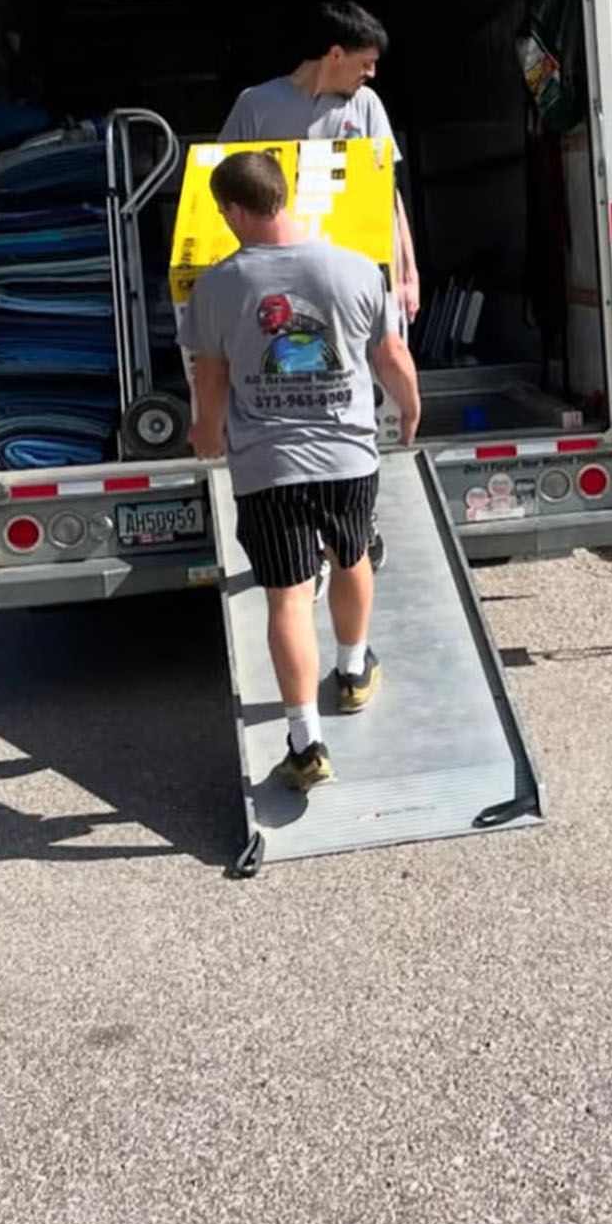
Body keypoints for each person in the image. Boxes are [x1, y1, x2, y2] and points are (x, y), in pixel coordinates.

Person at [182, 150, 421, 793]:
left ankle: (305, 741)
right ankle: (352, 672)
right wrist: (410, 409)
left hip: (269, 463)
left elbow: (212, 376)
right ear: (282, 195)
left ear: (234, 209)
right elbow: (390, 353)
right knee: (352, 556)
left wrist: (206, 434)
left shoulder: (218, 285)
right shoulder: (352, 268)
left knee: (287, 596)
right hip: (348, 457)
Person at [219, 0, 421, 327]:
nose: (371, 74)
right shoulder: (255, 105)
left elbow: (388, 194)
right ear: (336, 54)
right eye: (366, 63)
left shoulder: (366, 106)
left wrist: (408, 274)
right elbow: (225, 188)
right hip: (278, 282)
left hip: (358, 275)